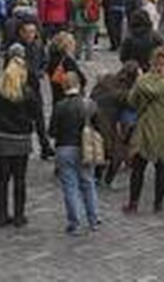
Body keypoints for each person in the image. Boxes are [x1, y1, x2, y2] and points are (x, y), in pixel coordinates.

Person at [0, 45, 42, 228]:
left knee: (3, 177)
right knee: (20, 178)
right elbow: (37, 114)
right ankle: (19, 215)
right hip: (21, 138)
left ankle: (2, 215)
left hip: (2, 137)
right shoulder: (27, 93)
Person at [124, 45, 164, 214]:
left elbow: (131, 101)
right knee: (162, 167)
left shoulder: (142, 81)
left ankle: (134, 203)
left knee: (138, 168)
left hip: (146, 127)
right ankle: (158, 204)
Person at [49, 70, 102, 234]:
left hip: (65, 147)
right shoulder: (89, 104)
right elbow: (99, 127)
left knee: (70, 187)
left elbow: (52, 131)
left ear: (64, 86)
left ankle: (75, 223)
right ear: (79, 84)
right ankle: (93, 219)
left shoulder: (59, 106)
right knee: (88, 183)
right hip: (85, 148)